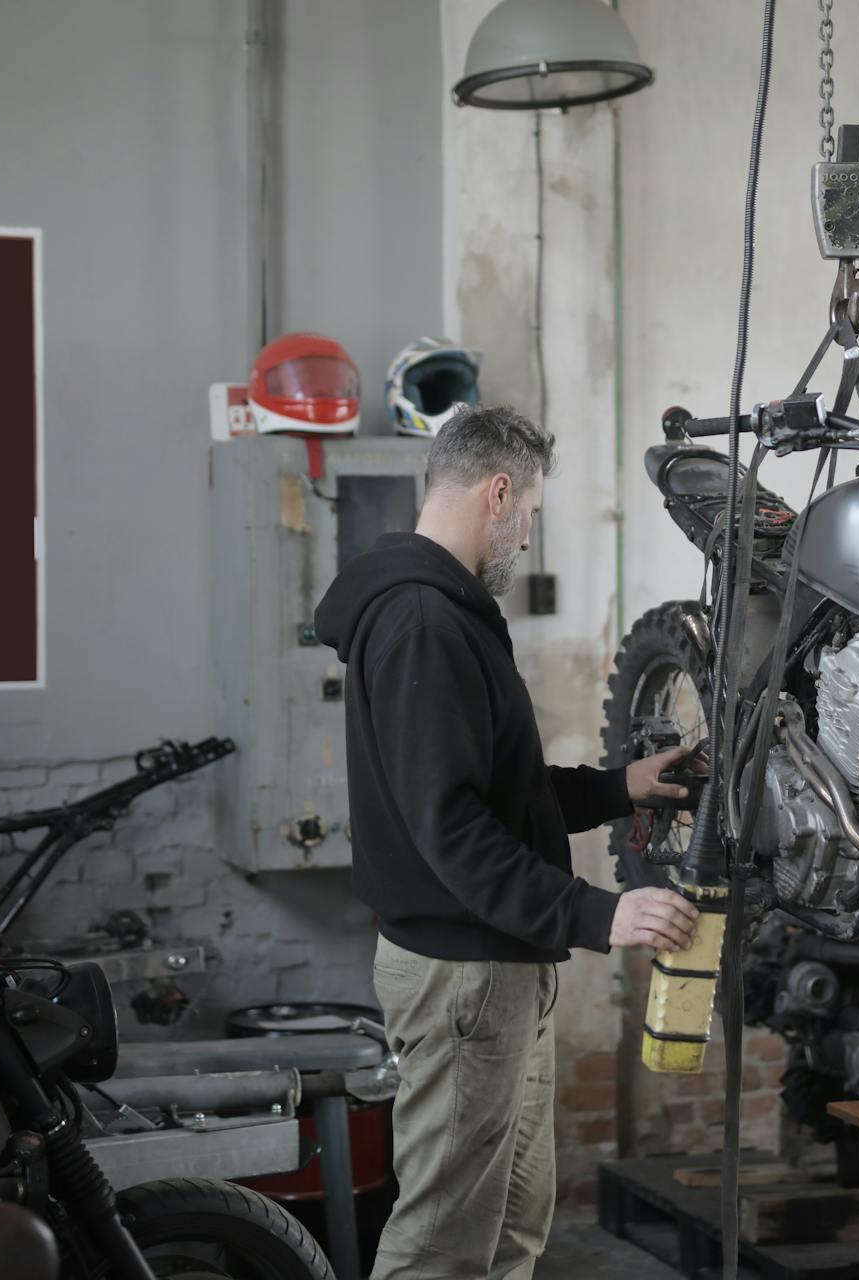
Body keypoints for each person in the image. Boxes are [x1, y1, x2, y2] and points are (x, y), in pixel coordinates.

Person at [314, 404, 700, 1280]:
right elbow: (451, 830)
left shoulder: (441, 611)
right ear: (497, 494)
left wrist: (616, 788)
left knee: (512, 1227)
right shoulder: (423, 620)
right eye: (529, 513)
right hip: (466, 978)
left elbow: (494, 794)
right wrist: (603, 914)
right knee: (443, 1246)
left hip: (499, 969)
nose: (526, 536)